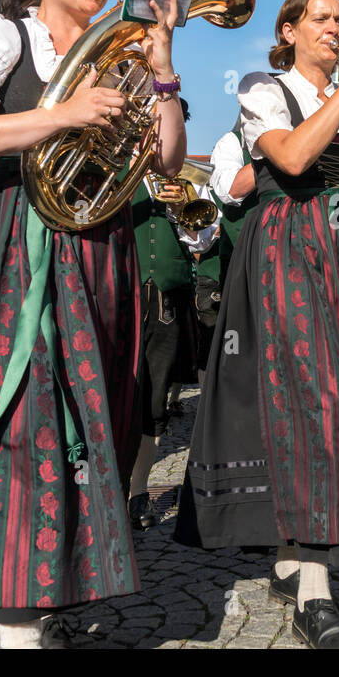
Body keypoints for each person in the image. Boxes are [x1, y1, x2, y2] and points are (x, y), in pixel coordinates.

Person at [0, 0, 186, 648]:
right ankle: (17, 627)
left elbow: (167, 161)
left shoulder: (121, 52)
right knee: (21, 426)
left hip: (98, 248)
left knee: (87, 420)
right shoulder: (1, 32)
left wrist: (162, 66)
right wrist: (64, 113)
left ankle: (55, 588)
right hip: (15, 240)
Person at [175, 0, 339, 649]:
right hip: (290, 254)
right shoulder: (265, 87)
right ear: (288, 29)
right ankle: (316, 595)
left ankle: (296, 556)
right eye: (320, 19)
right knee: (316, 401)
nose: (335, 29)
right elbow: (291, 157)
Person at [126, 171, 213, 531]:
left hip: (165, 304)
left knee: (155, 398)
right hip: (120, 295)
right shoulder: (114, 172)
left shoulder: (187, 181)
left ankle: (138, 490)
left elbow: (202, 244)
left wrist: (179, 212)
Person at [193, 123, 257, 368]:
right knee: (228, 349)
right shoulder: (232, 143)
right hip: (235, 263)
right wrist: (277, 152)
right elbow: (231, 191)